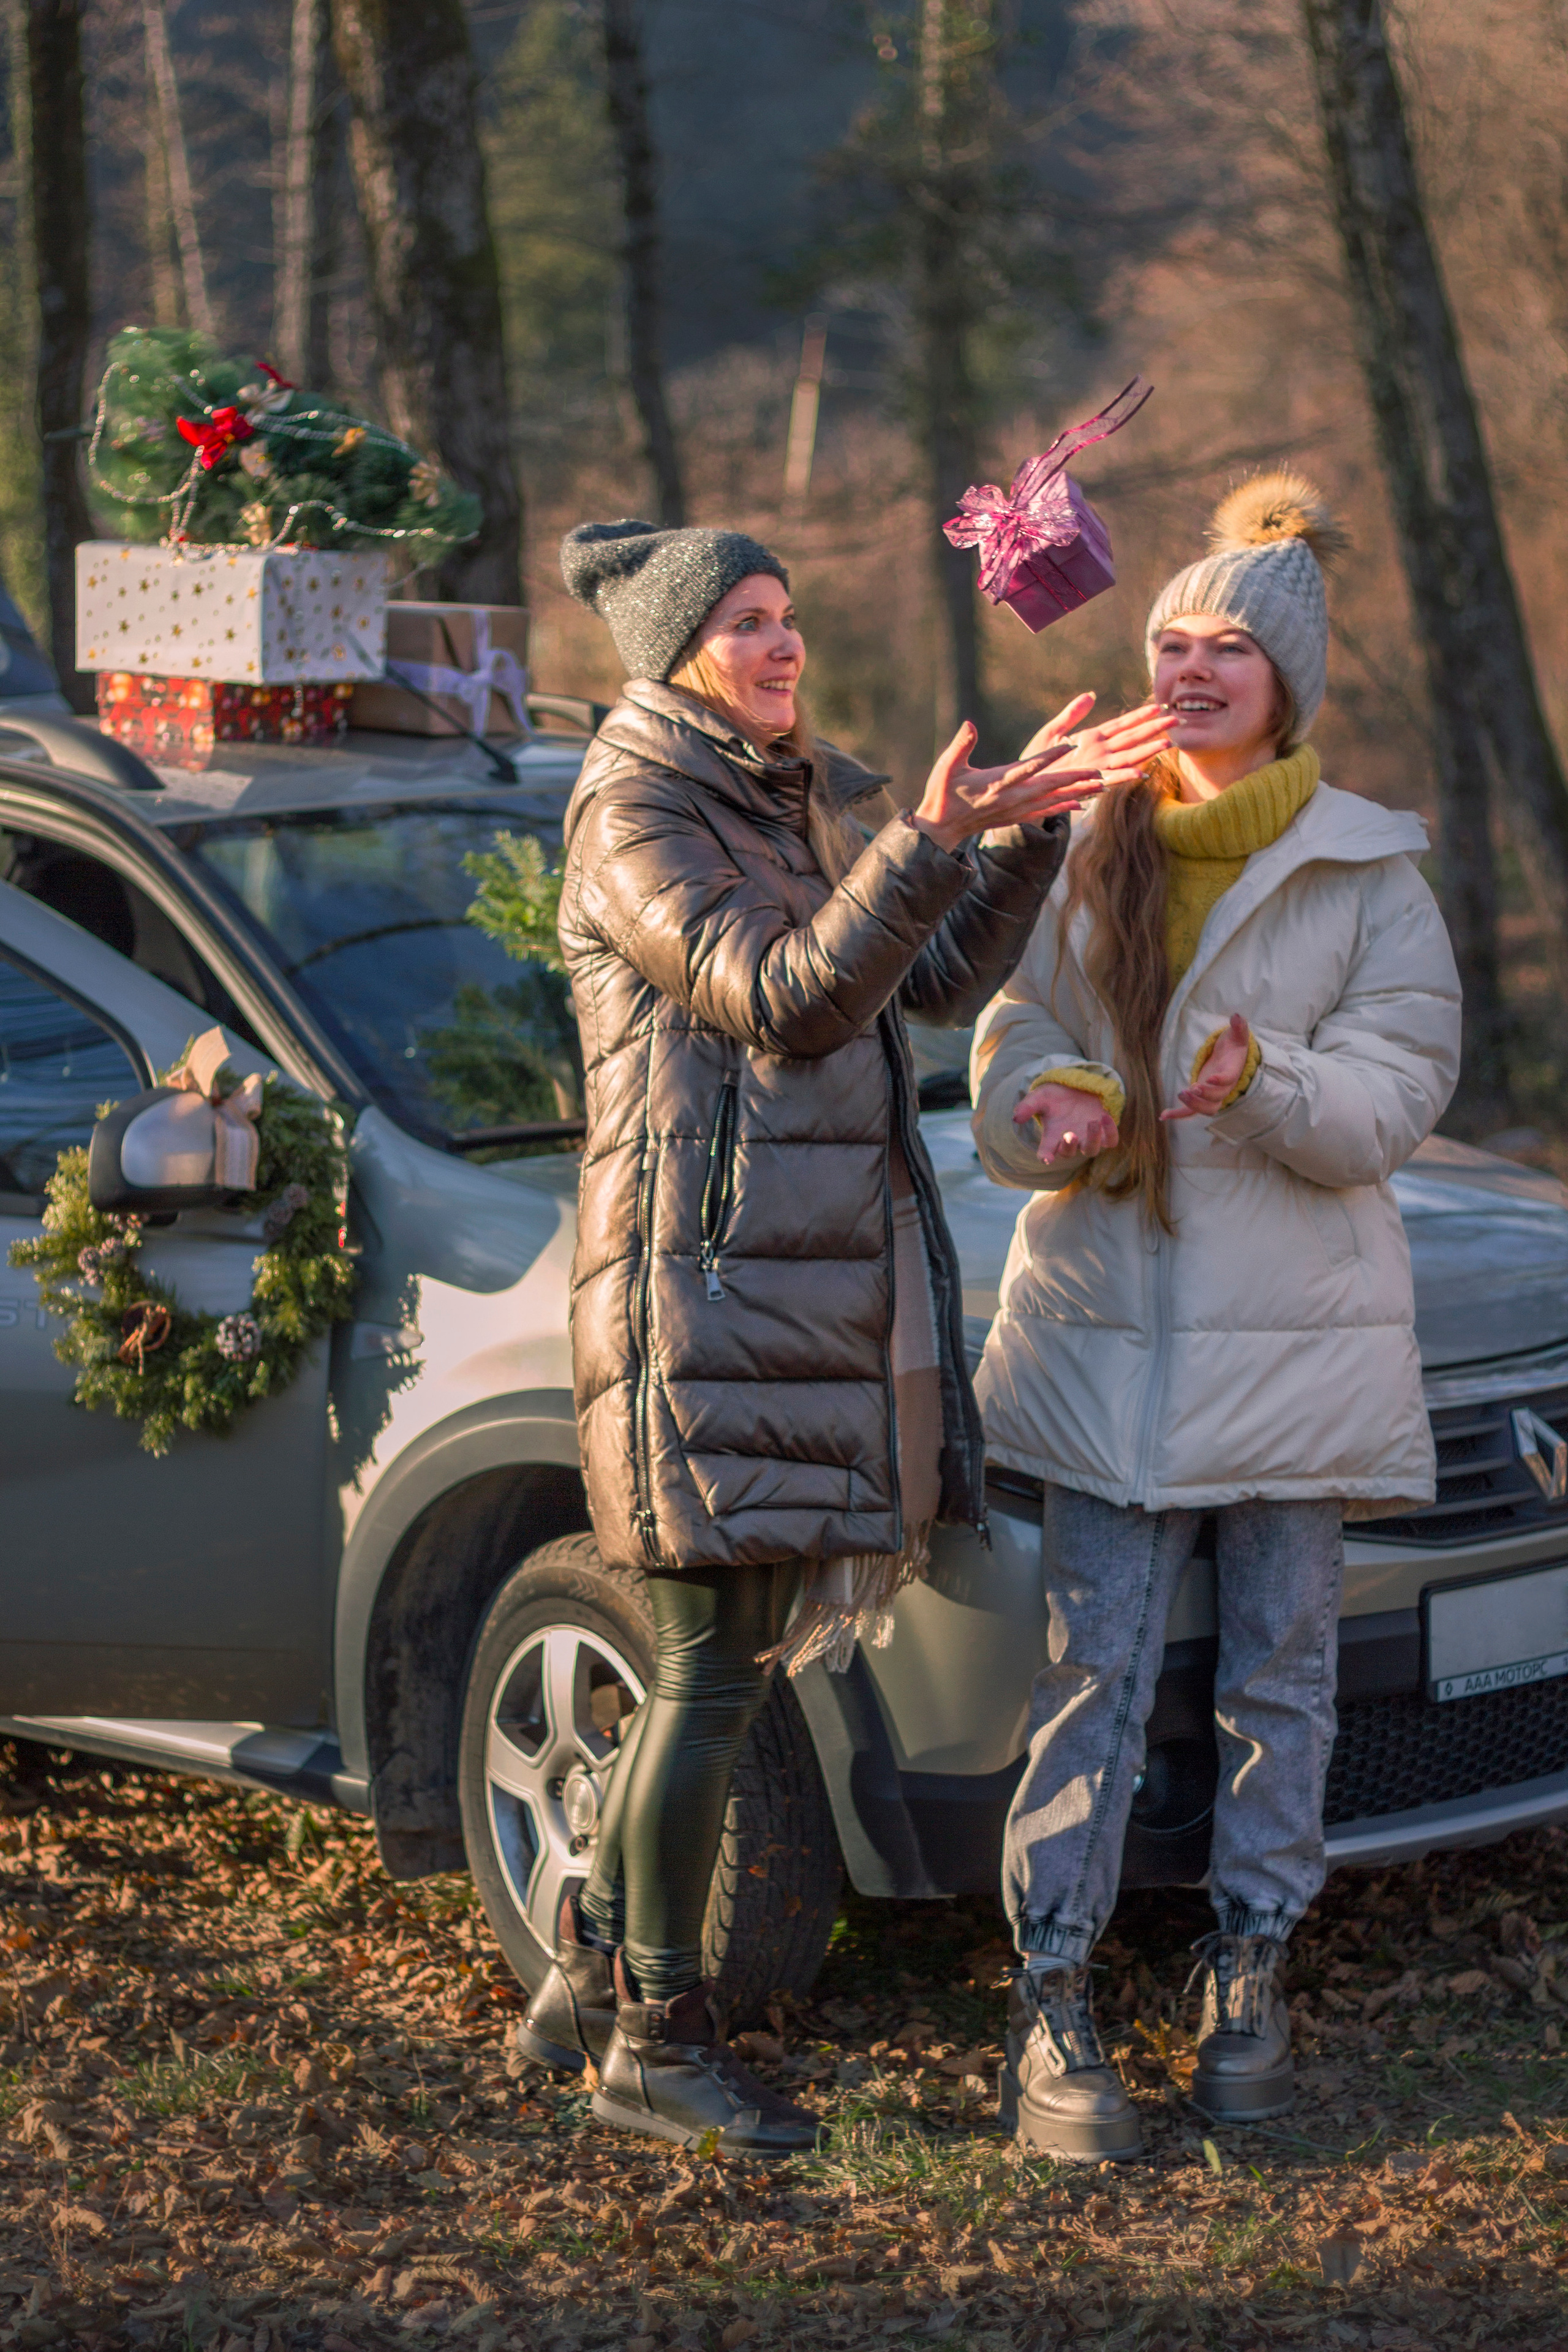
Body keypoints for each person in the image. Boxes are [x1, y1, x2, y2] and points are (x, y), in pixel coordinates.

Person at [520, 516, 1169, 2153]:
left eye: (789, 618)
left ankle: (597, 1975)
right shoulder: (634, 804)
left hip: (791, 1286)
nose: (784, 645)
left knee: (716, 1669)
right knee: (711, 1672)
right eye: (748, 622)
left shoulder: (773, 787)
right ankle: (656, 2045)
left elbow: (922, 980)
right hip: (708, 1288)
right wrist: (921, 836)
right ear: (675, 652)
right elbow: (787, 991)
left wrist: (1014, 839)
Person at [970, 473, 1462, 2162]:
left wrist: (1269, 1081)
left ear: (1288, 680)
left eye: (1227, 647)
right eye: (1172, 640)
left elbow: (1393, 1102)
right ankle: (1054, 2001)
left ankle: (1248, 1978)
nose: (1188, 669)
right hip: (1109, 1331)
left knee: (1281, 1678)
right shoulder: (1091, 842)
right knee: (1088, 1679)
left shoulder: (1371, 875)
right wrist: (1045, 1103)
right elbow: (1014, 1035)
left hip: (1295, 1352)